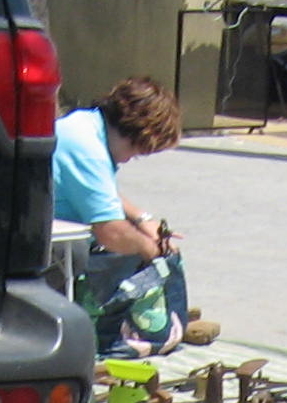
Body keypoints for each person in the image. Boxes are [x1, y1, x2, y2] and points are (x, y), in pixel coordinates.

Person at [50, 77, 202, 352]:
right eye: (137, 150)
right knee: (142, 254)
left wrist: (144, 220)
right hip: (53, 246)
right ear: (133, 132)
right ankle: (138, 327)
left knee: (144, 244)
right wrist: (153, 251)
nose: (131, 158)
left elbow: (100, 193)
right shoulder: (87, 150)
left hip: (56, 231)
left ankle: (162, 317)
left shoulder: (85, 124)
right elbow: (111, 232)